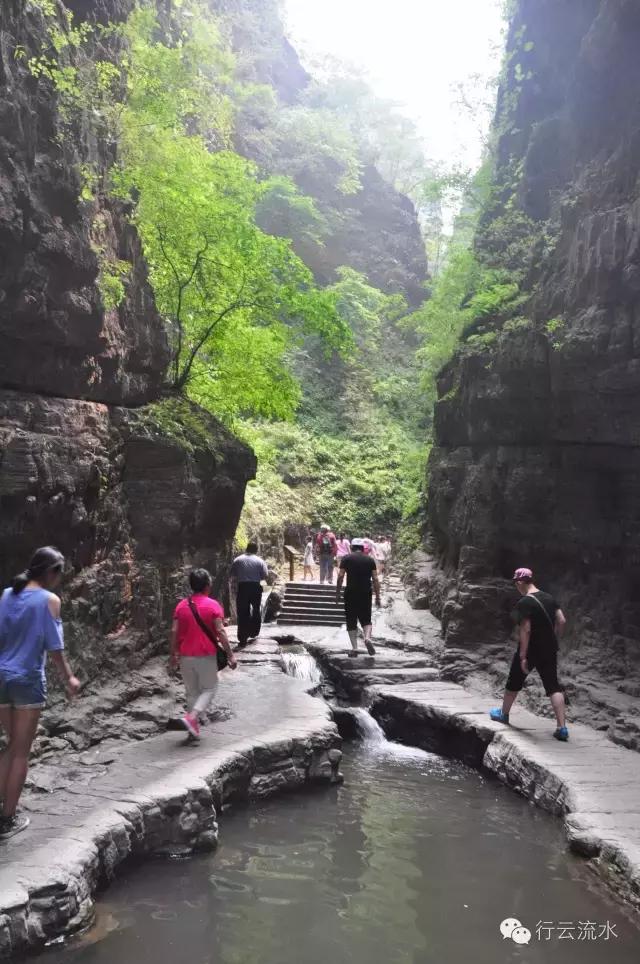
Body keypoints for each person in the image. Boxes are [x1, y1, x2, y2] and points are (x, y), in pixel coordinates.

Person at [0, 547, 81, 839]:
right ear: (51, 572)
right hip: (27, 680)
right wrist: (69, 678)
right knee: (21, 752)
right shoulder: (49, 600)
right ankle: (7, 819)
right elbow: (55, 648)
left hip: (1, 678)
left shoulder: (6, 595)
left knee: (12, 745)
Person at [490, 567, 569, 741]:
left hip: (531, 649)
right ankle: (562, 728)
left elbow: (526, 629)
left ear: (520, 582)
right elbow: (562, 620)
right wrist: (554, 638)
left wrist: (523, 655)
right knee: (553, 686)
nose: (516, 586)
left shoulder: (525, 602)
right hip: (549, 649)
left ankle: (503, 714)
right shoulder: (549, 598)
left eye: (516, 583)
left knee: (514, 680)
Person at [171, 568, 236, 740]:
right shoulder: (213, 605)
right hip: (205, 654)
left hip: (185, 655)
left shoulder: (181, 606)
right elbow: (220, 631)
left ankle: (193, 730)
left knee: (191, 692)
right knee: (210, 688)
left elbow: (174, 631)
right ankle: (192, 718)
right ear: (207, 585)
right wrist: (230, 654)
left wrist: (174, 653)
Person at [336, 539, 381, 657]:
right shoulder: (370, 560)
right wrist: (378, 597)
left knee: (351, 620)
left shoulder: (346, 558)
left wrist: (337, 592)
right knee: (366, 619)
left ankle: (355, 648)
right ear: (362, 548)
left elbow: (340, 576)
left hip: (351, 593)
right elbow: (375, 579)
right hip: (366, 593)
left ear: (352, 547)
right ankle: (367, 638)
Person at [230, 542, 268, 646]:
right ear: (256, 550)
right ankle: (254, 632)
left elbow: (233, 574)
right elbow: (265, 575)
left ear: (246, 549)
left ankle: (243, 637)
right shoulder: (260, 561)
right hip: (255, 586)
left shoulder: (238, 560)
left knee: (243, 611)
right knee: (256, 609)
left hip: (243, 587)